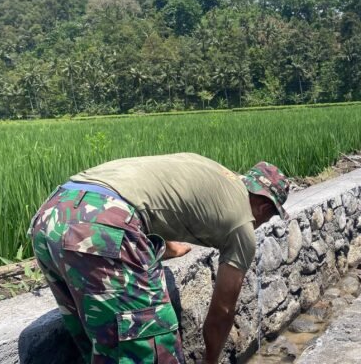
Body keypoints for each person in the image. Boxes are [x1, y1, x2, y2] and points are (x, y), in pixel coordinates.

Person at [28, 153, 290, 364]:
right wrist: (211, 360)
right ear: (264, 207)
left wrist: (169, 248)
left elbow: (157, 200)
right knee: (152, 346)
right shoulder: (242, 225)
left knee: (103, 346)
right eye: (270, 216)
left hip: (53, 213)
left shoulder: (213, 171)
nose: (263, 222)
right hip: (101, 223)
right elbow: (222, 311)